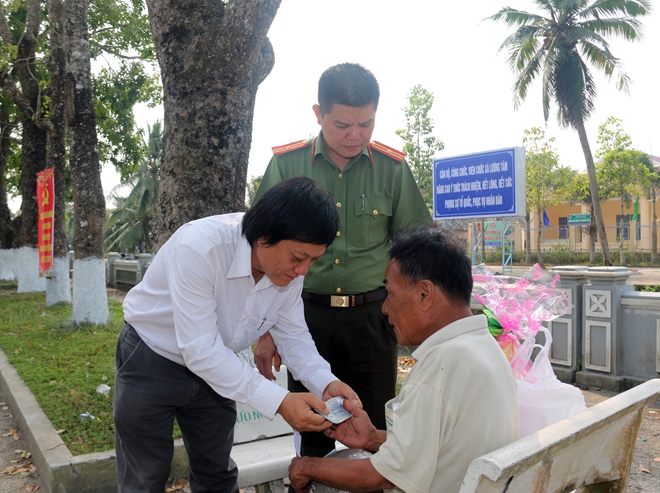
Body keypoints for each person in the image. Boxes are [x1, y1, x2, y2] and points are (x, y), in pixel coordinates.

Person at [114, 177, 362, 493]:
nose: (304, 271)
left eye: (314, 260)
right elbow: (200, 349)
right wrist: (281, 401)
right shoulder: (201, 248)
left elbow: (294, 337)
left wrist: (325, 383)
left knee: (216, 473)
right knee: (144, 477)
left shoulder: (287, 271)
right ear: (264, 236)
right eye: (299, 258)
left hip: (219, 368)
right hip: (151, 358)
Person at [252, 63, 433, 461]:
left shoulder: (392, 170)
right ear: (318, 114)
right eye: (342, 125)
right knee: (312, 427)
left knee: (377, 429)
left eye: (366, 124)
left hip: (372, 319)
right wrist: (265, 330)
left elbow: (418, 250)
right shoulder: (287, 165)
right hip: (302, 318)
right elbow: (262, 252)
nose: (355, 136)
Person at [288, 227, 519, 493]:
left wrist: (305, 467)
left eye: (390, 292)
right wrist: (373, 438)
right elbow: (437, 448)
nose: (384, 308)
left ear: (424, 294)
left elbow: (379, 477)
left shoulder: (441, 366)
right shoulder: (484, 347)